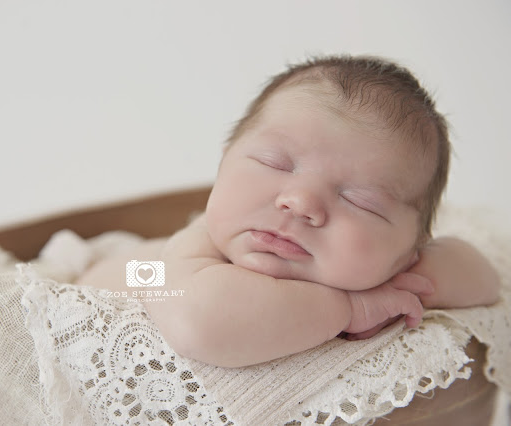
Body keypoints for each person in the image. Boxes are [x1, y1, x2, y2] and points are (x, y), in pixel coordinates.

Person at [77, 55, 500, 368]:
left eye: (359, 200)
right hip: (130, 276)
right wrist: (350, 308)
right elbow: (201, 323)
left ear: (407, 249)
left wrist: (412, 274)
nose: (299, 203)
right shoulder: (193, 251)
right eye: (275, 164)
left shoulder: (389, 265)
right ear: (223, 165)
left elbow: (484, 278)